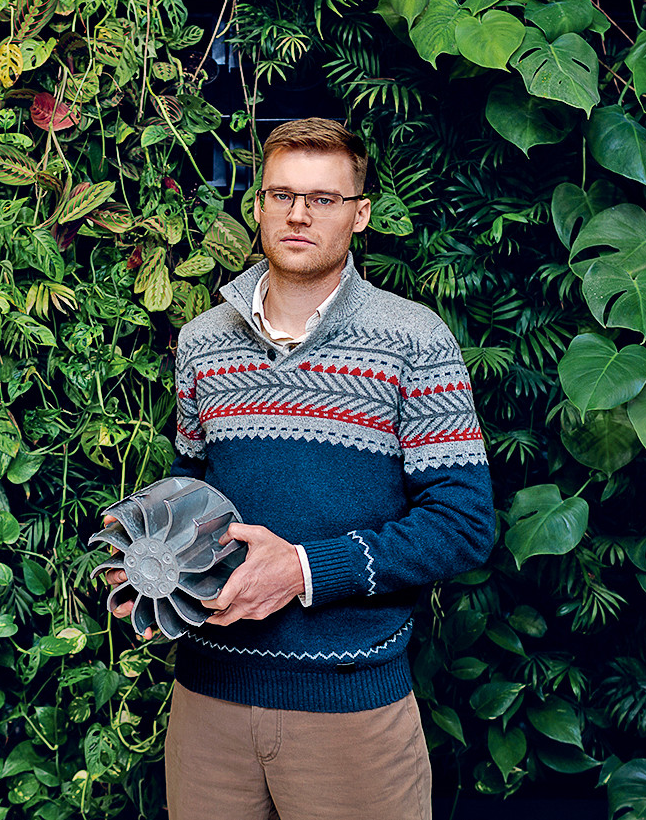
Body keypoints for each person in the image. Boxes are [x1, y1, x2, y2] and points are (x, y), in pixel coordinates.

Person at [106, 117, 495, 820]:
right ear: (257, 205)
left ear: (360, 213)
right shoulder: (202, 343)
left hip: (350, 708)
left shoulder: (414, 341)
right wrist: (155, 566)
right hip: (208, 705)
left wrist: (305, 569)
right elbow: (191, 494)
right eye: (282, 194)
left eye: (323, 198)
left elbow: (463, 524)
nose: (298, 213)